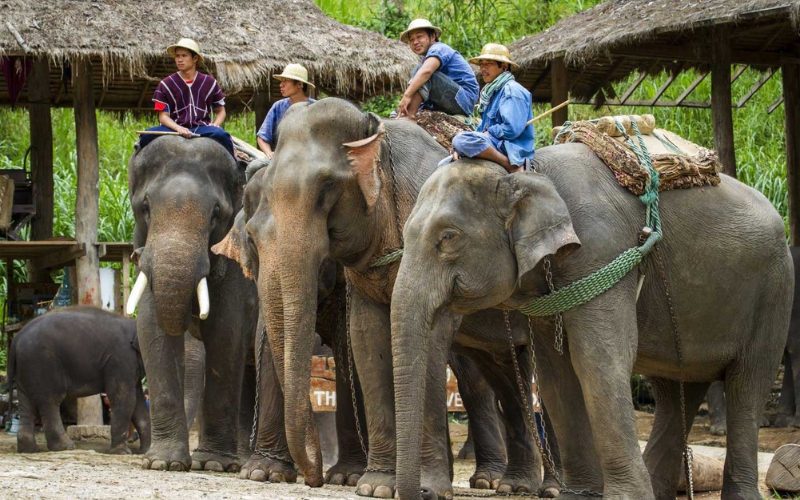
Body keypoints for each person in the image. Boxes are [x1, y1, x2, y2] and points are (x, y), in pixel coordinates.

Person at [138, 38, 233, 155]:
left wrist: (215, 125)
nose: (179, 59)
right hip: (173, 128)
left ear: (195, 59)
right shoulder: (164, 85)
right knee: (146, 136)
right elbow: (163, 117)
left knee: (222, 136)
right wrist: (179, 128)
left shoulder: (210, 82)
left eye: (184, 56)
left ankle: (236, 161)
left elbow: (221, 110)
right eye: (177, 56)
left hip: (202, 128)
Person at [448, 43, 534, 174]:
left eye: (488, 64)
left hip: (509, 146)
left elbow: (512, 129)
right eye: (481, 64)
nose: (482, 69)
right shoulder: (492, 92)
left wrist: (488, 132)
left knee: (461, 140)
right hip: (494, 142)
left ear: (504, 66)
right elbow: (483, 127)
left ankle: (509, 165)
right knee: (456, 143)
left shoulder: (512, 91)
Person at [396, 19, 479, 120]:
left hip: (463, 100)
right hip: (448, 98)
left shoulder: (439, 48)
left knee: (423, 73)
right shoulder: (425, 59)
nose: (415, 42)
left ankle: (409, 117)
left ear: (432, 36)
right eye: (411, 39)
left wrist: (407, 95)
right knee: (417, 72)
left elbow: (426, 72)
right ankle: (405, 113)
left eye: (419, 37)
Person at [256, 63, 316, 159]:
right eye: (281, 81)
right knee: (252, 168)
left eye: (286, 81)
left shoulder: (316, 107)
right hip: (282, 159)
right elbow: (262, 137)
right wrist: (269, 153)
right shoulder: (278, 107)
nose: (281, 85)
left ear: (299, 84)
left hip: (310, 159)